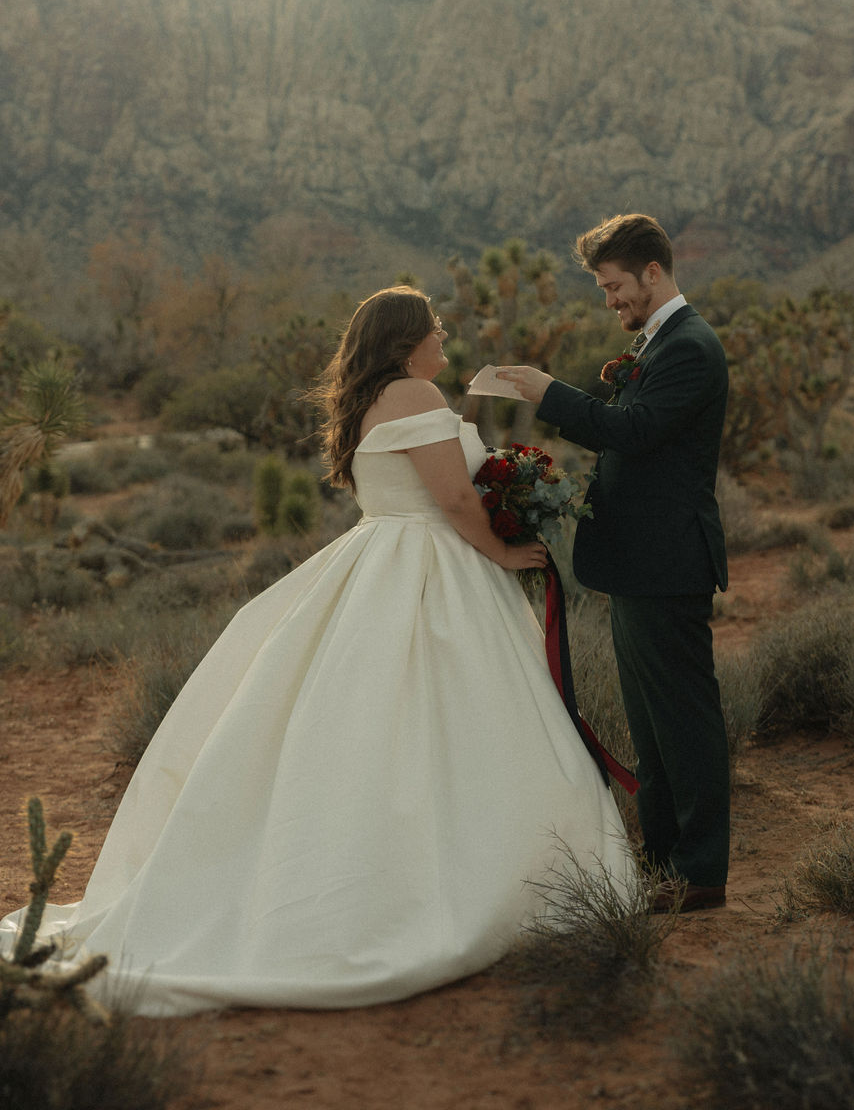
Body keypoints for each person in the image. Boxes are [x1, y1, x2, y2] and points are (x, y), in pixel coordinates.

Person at [0, 287, 632, 1014]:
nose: (444, 337)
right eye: (434, 328)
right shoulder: (418, 391)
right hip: (434, 566)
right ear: (405, 341)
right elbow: (454, 502)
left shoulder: (370, 401)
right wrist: (501, 547)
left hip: (384, 556)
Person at [497, 214, 730, 914]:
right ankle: (664, 863)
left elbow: (633, 430)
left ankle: (700, 872)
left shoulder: (689, 347)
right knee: (653, 724)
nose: (611, 300)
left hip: (666, 563)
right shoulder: (655, 345)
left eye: (616, 286)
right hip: (638, 562)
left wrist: (547, 392)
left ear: (653, 272)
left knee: (683, 721)